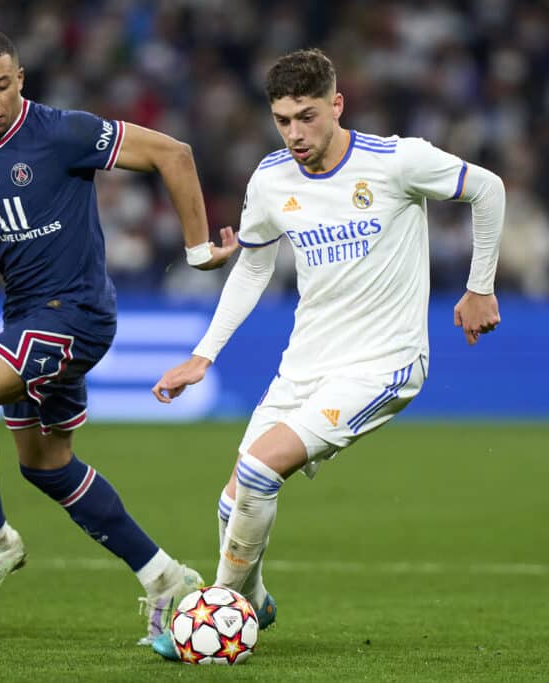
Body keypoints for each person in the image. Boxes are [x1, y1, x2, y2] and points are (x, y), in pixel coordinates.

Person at [149, 48, 504, 661]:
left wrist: (479, 286)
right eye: (282, 120)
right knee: (233, 501)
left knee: (260, 472)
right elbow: (253, 266)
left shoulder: (397, 161)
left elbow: (489, 190)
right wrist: (204, 355)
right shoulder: (270, 179)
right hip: (305, 363)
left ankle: (216, 615)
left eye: (307, 117)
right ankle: (252, 599)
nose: (294, 133)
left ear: (336, 105)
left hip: (385, 363)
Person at [0, 29, 238, 644]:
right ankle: (164, 578)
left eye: (1, 85)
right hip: (26, 317)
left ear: (20, 80)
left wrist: (197, 249)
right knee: (45, 467)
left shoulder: (59, 132)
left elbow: (174, 153)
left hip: (74, 315)